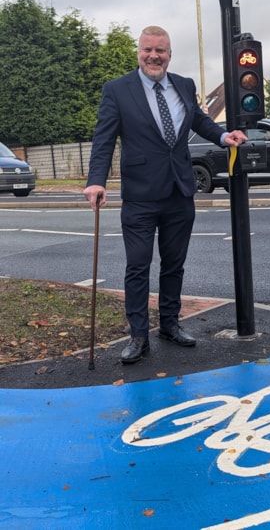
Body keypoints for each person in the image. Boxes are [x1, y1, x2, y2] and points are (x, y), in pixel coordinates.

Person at [84, 25, 247, 364]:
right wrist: (96, 180)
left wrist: (222, 136)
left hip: (179, 191)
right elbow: (104, 139)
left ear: (169, 54)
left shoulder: (184, 85)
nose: (154, 56)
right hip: (140, 195)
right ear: (139, 52)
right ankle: (138, 335)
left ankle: (170, 324)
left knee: (174, 264)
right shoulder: (117, 90)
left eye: (160, 50)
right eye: (148, 50)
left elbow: (199, 120)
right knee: (138, 266)